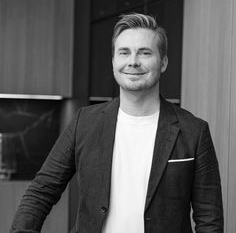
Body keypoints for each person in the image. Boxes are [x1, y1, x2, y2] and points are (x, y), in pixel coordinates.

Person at [11, 13, 223, 233]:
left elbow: (209, 218)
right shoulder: (85, 122)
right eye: (124, 52)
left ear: (163, 62)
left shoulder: (194, 131)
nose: (133, 61)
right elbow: (42, 190)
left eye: (145, 52)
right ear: (113, 61)